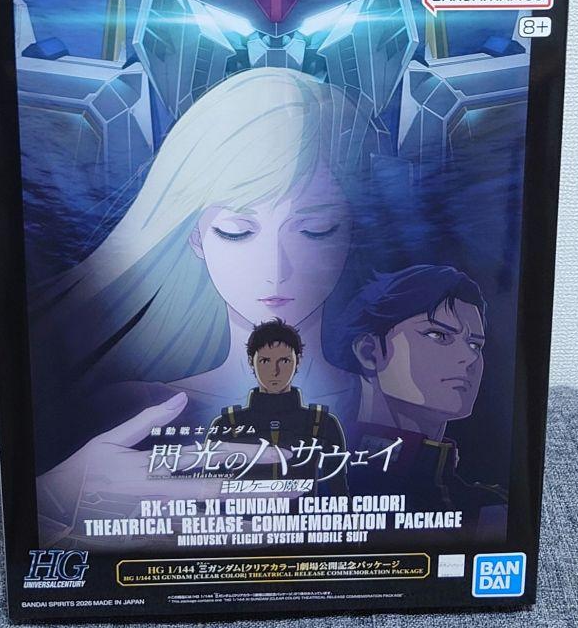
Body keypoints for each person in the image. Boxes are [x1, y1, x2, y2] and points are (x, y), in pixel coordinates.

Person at [32, 67, 367, 543]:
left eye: (315, 230)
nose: (275, 269)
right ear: (196, 237)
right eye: (237, 231)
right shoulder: (134, 408)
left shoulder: (392, 399)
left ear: (352, 231)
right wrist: (53, 500)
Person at [331, 264, 507, 537]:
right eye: (438, 335)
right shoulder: (323, 486)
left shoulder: (491, 509)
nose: (470, 357)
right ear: (369, 351)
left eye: (475, 344)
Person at [213, 319, 348, 496]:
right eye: (265, 361)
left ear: (297, 361)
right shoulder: (227, 423)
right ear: (251, 361)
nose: (274, 371)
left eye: (284, 361)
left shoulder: (322, 422)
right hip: (245, 514)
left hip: (302, 514)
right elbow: (208, 493)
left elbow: (339, 491)